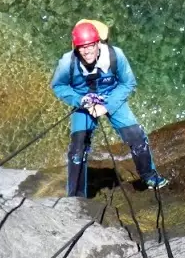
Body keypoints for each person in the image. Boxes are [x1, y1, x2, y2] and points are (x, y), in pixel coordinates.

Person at [51, 21, 169, 197]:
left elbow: (128, 83)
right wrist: (80, 100)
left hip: (112, 97)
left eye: (90, 45)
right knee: (77, 147)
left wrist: (106, 106)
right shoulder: (67, 62)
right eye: (81, 47)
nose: (86, 51)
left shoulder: (116, 56)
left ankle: (149, 176)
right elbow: (59, 86)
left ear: (98, 43)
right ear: (75, 47)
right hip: (84, 101)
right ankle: (75, 195)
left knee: (136, 136)